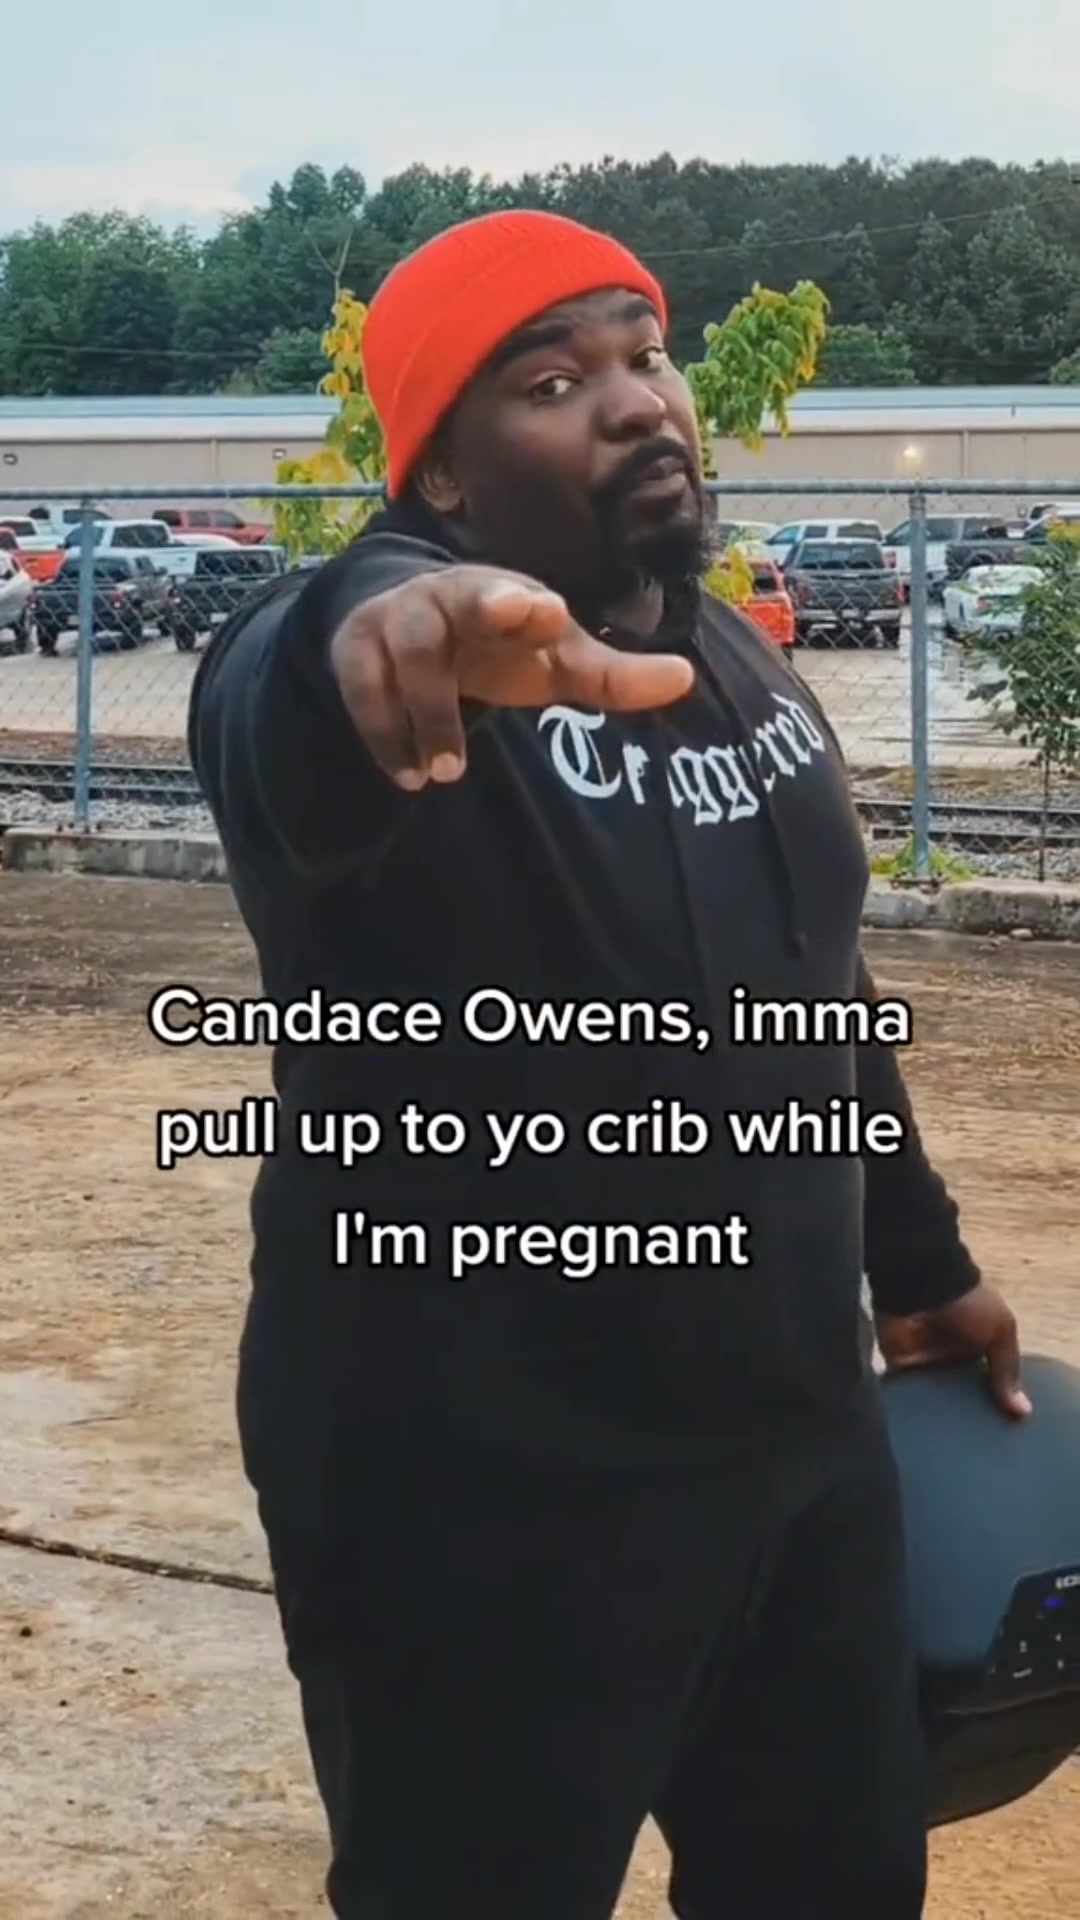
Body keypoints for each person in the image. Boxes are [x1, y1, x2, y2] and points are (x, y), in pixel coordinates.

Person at [188, 209, 1028, 1920]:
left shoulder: (737, 660)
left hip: (801, 1459)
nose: (639, 399)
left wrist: (923, 1264)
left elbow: (818, 983)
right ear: (442, 478)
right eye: (551, 382)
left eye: (644, 354)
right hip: (479, 1494)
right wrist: (379, 630)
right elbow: (282, 701)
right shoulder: (413, 676)